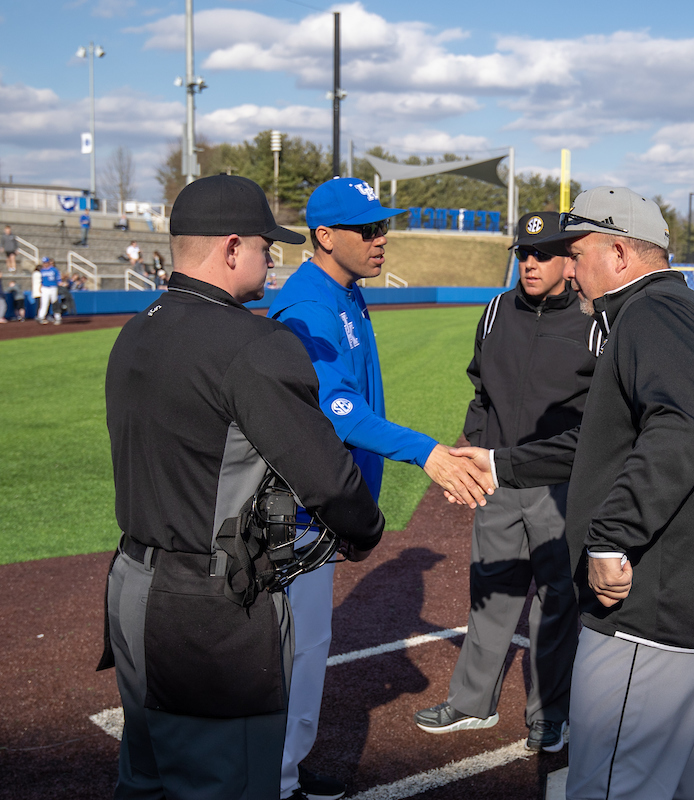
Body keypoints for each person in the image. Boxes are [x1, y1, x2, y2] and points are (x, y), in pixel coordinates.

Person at [451, 187, 694, 800]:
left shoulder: (653, 312)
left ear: (619, 253)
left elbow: (680, 425)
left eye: (577, 251)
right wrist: (499, 462)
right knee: (669, 786)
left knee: (608, 785)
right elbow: (608, 440)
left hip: (654, 615)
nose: (568, 265)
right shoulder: (675, 309)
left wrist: (612, 536)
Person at [100, 173, 387, 800]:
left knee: (146, 779)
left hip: (132, 588)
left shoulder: (134, 330)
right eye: (264, 245)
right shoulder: (255, 344)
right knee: (229, 783)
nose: (270, 258)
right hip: (211, 614)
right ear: (233, 248)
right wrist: (365, 530)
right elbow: (331, 483)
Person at [268, 177, 494, 800]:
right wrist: (427, 453)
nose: (380, 239)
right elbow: (335, 406)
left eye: (381, 226)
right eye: (366, 229)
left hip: (323, 501)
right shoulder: (310, 305)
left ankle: (282, 768)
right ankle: (277, 780)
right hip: (302, 507)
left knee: (302, 648)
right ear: (324, 236)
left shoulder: (341, 290)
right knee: (300, 649)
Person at [414, 212, 603, 751]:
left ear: (570, 261)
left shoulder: (596, 322)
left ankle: (548, 714)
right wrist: (476, 453)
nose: (530, 263)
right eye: (524, 253)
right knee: (489, 597)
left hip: (559, 486)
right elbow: (481, 389)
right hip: (496, 478)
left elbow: (603, 414)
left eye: (543, 254)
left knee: (557, 601)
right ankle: (473, 704)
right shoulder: (497, 309)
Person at [36, 257, 61, 325]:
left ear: (49, 263)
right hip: (45, 288)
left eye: (46, 262)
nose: (45, 264)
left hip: (53, 287)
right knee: (44, 303)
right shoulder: (42, 270)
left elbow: (58, 278)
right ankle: (41, 317)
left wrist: (60, 283)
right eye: (44, 263)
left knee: (55, 302)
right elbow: (42, 280)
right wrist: (40, 287)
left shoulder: (54, 270)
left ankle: (57, 317)